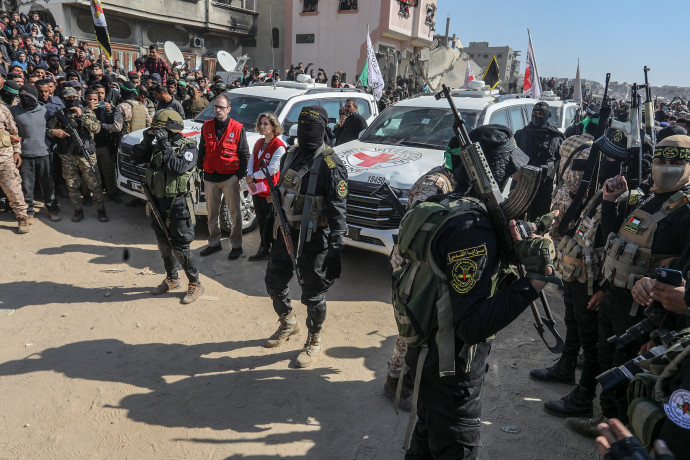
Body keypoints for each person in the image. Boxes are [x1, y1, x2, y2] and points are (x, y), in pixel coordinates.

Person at [401, 124, 558, 458]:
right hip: (452, 370)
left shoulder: (456, 208)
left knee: (425, 441)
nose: (516, 176)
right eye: (510, 168)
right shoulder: (473, 230)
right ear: (494, 170)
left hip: (432, 354)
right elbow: (471, 325)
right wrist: (531, 283)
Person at [567, 134, 690, 438]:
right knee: (607, 365)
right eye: (661, 159)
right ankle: (606, 422)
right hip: (616, 298)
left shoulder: (685, 210)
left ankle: (621, 436)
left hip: (646, 312)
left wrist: (667, 322)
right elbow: (616, 241)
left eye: (678, 160)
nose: (667, 167)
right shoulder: (648, 195)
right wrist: (610, 203)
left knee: (628, 380)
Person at [533, 129, 626, 419]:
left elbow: (617, 247)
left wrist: (605, 288)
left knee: (591, 338)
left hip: (595, 279)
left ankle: (585, 396)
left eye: (612, 158)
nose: (604, 162)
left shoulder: (626, 197)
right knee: (572, 319)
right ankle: (566, 366)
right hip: (578, 273)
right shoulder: (602, 189)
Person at [263, 105, 348, 368]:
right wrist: (269, 226)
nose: (306, 133)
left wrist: (336, 247)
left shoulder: (331, 165)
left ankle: (314, 338)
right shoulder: (291, 154)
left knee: (313, 295)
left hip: (313, 241)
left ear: (323, 130)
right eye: (302, 127)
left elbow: (338, 211)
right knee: (273, 282)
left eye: (312, 128)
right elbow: (281, 192)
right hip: (285, 234)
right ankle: (288, 322)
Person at [384, 144, 457, 412]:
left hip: (424, 262)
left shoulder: (450, 179)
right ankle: (395, 381)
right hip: (411, 262)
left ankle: (410, 379)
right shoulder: (435, 182)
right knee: (410, 325)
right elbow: (417, 224)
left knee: (424, 326)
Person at [130, 109, 204, 304]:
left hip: (178, 204)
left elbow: (177, 167)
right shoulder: (157, 146)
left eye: (160, 130)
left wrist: (163, 143)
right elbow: (136, 157)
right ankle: (172, 278)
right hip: (157, 203)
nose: (158, 133)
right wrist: (147, 140)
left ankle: (195, 283)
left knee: (180, 247)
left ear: (170, 130)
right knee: (163, 244)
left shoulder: (188, 147)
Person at [197, 93, 249, 259]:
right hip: (210, 177)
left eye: (221, 107)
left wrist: (238, 176)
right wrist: (200, 170)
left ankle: (236, 246)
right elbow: (202, 150)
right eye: (216, 106)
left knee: (235, 215)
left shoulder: (238, 128)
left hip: (229, 178)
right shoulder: (206, 126)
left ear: (229, 109)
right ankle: (214, 243)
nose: (218, 110)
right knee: (212, 215)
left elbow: (244, 154)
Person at [46, 86, 108, 222]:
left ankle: (101, 210)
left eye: (74, 97)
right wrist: (55, 132)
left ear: (79, 98)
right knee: (72, 184)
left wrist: (82, 116)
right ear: (64, 99)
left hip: (86, 155)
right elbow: (48, 130)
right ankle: (78, 210)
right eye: (69, 98)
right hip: (67, 156)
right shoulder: (59, 115)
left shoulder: (87, 112)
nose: (72, 100)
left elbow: (96, 129)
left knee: (95, 184)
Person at [11, 84, 60, 222]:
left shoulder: (46, 110)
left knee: (48, 184)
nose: (24, 99)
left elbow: (53, 128)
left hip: (44, 153)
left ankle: (52, 208)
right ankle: (29, 210)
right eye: (22, 97)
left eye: (27, 96)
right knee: (27, 185)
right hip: (25, 155)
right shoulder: (13, 111)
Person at [246, 112, 286, 261]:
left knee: (272, 222)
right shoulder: (258, 143)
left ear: (273, 127)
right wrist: (250, 177)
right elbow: (252, 160)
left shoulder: (279, 146)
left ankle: (274, 250)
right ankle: (264, 248)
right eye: (261, 124)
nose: (262, 127)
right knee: (262, 221)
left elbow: (273, 169)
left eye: (266, 124)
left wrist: (253, 176)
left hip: (270, 191)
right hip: (257, 189)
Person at [514, 102, 565, 220]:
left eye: (541, 114)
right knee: (515, 221)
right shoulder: (521, 134)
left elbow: (560, 166)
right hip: (522, 184)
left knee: (539, 223)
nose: (537, 116)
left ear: (547, 115)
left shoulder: (556, 137)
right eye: (534, 113)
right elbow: (512, 160)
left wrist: (559, 190)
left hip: (544, 187)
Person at [0, 87, 29, 233]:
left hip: (4, 157)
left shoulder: (3, 110)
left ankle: (22, 218)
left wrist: (17, 151)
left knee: (14, 189)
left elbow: (13, 131)